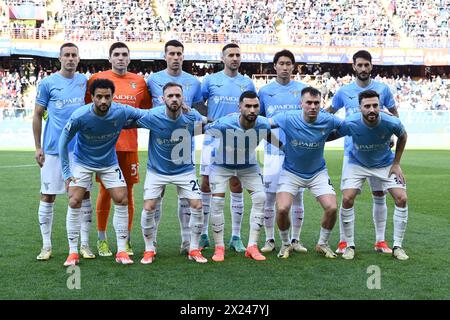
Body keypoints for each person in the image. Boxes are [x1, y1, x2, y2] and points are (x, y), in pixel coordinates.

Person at [59, 78, 144, 266]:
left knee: (122, 198)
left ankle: (122, 250)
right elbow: (63, 141)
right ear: (92, 97)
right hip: (83, 162)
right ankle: (73, 252)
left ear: (113, 96)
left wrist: (173, 111)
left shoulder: (120, 110)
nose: (103, 101)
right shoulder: (80, 115)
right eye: (99, 97)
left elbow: (143, 114)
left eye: (107, 97)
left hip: (108, 163)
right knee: (74, 200)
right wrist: (66, 173)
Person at [325, 50, 398, 255]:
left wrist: (392, 132)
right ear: (354, 66)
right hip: (352, 152)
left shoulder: (383, 89)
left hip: (379, 151)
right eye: (360, 65)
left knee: (379, 194)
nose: (363, 69)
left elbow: (394, 114)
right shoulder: (343, 91)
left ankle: (380, 241)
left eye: (367, 65)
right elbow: (330, 111)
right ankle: (343, 241)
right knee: (348, 198)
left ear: (371, 66)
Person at [86, 42, 151, 257]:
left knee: (128, 193)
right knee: (105, 191)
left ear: (129, 58)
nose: (121, 58)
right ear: (110, 58)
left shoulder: (139, 82)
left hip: (130, 146)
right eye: (117, 54)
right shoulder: (98, 80)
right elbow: (89, 110)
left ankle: (126, 239)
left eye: (124, 54)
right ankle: (102, 239)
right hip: (105, 148)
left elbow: (145, 113)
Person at [32, 42, 95, 261]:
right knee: (48, 195)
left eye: (74, 55)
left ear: (78, 59)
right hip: (52, 149)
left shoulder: (84, 82)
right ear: (60, 58)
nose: (70, 58)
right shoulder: (48, 83)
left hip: (78, 151)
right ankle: (46, 245)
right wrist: (38, 147)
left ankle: (85, 245)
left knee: (83, 195)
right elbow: (38, 114)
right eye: (66, 55)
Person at [134, 82, 208, 264]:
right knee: (149, 206)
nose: (174, 99)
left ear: (183, 98)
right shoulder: (152, 116)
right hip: (157, 170)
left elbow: (206, 124)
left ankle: (194, 248)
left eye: (177, 95)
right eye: (170, 96)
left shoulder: (192, 116)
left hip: (184, 170)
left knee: (197, 205)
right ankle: (149, 248)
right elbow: (129, 121)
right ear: (162, 99)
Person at [269, 87, 342, 259]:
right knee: (282, 208)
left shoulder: (328, 119)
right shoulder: (288, 117)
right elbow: (263, 125)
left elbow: (349, 127)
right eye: (309, 102)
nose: (313, 106)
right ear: (301, 103)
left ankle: (322, 243)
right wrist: (280, 146)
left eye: (316, 103)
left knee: (331, 208)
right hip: (291, 172)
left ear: (321, 104)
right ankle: (286, 244)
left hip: (317, 173)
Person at [335, 90, 409, 260]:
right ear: (359, 108)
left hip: (385, 163)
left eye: (375, 105)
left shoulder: (391, 121)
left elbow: (403, 136)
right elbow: (333, 133)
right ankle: (349, 245)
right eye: (367, 106)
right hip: (357, 163)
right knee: (347, 198)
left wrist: (396, 163)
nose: (372, 109)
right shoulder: (350, 122)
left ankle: (398, 246)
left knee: (401, 198)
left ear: (379, 106)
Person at [146, 40, 204, 255]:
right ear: (165, 56)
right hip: (159, 149)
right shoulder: (153, 80)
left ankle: (187, 242)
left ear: (183, 56)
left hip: (183, 151)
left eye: (179, 53)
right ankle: (152, 244)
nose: (176, 57)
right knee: (155, 199)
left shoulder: (194, 82)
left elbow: (196, 117)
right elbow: (146, 111)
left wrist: (186, 135)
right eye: (171, 53)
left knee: (186, 199)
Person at [205, 91, 275, 262]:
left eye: (255, 106)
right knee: (217, 202)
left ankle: (252, 246)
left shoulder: (264, 124)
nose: (252, 110)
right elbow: (206, 129)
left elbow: (270, 137)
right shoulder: (225, 123)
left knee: (260, 198)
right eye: (248, 106)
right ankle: (219, 247)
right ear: (240, 107)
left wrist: (287, 149)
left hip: (248, 166)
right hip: (222, 165)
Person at [200, 43, 256, 252]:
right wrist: (211, 119)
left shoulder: (247, 82)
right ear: (222, 58)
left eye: (237, 55)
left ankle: (235, 236)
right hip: (213, 137)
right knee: (206, 183)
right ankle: (204, 234)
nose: (234, 58)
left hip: (237, 139)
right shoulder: (210, 80)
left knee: (236, 183)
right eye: (230, 55)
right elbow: (198, 102)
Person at [258, 49, 308, 254]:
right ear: (275, 66)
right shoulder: (265, 91)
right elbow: (259, 122)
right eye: (282, 63)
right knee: (269, 197)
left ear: (293, 67)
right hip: (272, 154)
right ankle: (270, 239)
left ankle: (295, 239)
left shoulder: (303, 90)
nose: (285, 67)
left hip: (297, 154)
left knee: (297, 198)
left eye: (289, 63)